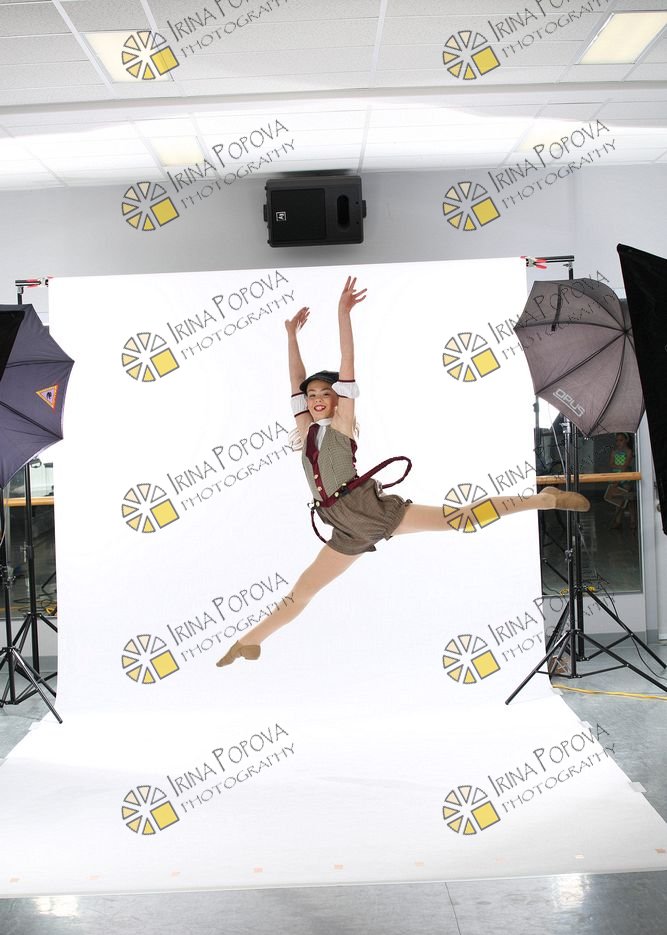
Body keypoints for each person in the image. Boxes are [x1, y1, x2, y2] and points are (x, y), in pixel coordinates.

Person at [216, 276, 589, 667]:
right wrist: (292, 336)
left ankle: (542, 500)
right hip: (344, 527)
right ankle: (249, 641)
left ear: (338, 399)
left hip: (368, 509)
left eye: (326, 393)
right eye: (312, 396)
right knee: (303, 591)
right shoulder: (307, 430)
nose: (317, 399)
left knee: (459, 519)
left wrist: (343, 314)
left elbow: (347, 365)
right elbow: (295, 381)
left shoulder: (342, 425)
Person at [605, 432, 635, 529]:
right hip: (616, 477)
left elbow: (625, 466)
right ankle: (618, 521)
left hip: (625, 478)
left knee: (629, 500)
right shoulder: (614, 452)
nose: (618, 443)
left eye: (621, 440)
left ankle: (633, 521)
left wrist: (619, 468)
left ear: (626, 440)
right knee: (617, 500)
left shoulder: (629, 452)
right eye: (617, 440)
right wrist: (620, 468)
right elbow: (611, 464)